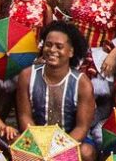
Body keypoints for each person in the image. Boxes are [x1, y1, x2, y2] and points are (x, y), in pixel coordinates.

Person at [17, 22, 95, 161]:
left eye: (59, 47)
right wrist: (40, 146)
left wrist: (57, 150)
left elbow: (82, 127)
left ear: (71, 52)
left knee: (86, 152)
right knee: (17, 146)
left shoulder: (82, 83)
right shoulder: (27, 76)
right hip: (37, 139)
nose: (52, 50)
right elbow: (24, 116)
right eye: (48, 45)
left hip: (71, 138)